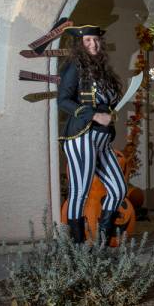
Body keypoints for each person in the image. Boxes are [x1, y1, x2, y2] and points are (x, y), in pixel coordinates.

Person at [58, 24, 126, 244]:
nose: (93, 44)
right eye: (87, 40)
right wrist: (95, 116)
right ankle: (78, 249)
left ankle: (102, 245)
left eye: (95, 40)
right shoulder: (74, 67)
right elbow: (63, 101)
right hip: (82, 136)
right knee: (80, 192)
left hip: (102, 140)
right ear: (80, 43)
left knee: (118, 189)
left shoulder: (103, 70)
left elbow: (108, 102)